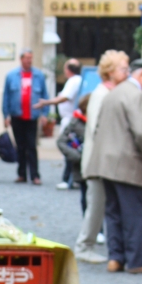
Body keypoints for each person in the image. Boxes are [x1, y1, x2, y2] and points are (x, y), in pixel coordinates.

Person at [85, 59, 142, 274]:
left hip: (106, 162)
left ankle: (116, 258)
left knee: (113, 212)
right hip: (126, 162)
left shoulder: (115, 92)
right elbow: (141, 132)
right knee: (134, 213)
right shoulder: (135, 94)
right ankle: (137, 260)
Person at [75, 50, 130, 263]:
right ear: (110, 72)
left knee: (103, 203)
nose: (127, 73)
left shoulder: (110, 92)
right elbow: (97, 129)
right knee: (96, 204)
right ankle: (84, 245)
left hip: (104, 159)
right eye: (123, 69)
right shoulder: (101, 94)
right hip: (98, 160)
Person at [2, 49, 49, 184]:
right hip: (17, 115)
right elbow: (6, 96)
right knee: (20, 146)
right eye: (27, 58)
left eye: (31, 58)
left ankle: (35, 175)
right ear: (21, 59)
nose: (29, 60)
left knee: (31, 146)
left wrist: (45, 114)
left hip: (32, 116)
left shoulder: (38, 75)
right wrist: (5, 115)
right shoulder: (11, 75)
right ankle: (22, 174)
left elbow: (45, 95)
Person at [56, 95, 89, 213]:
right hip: (82, 168)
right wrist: (76, 156)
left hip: (97, 168)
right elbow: (61, 141)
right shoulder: (75, 122)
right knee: (85, 198)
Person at [54, 59, 82, 189]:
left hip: (70, 121)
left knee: (68, 149)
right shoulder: (75, 81)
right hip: (68, 119)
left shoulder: (74, 81)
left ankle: (68, 179)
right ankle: (71, 179)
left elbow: (65, 97)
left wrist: (49, 102)